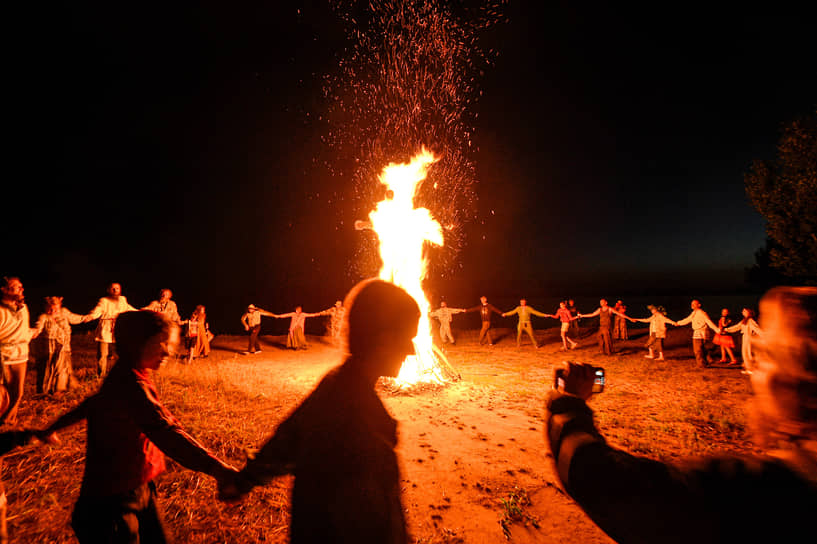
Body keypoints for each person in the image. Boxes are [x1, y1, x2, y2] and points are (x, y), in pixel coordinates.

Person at [543, 286, 817, 544]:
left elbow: (608, 485)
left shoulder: (763, 493)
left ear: (798, 381)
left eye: (767, 355)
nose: (756, 369)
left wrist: (569, 402)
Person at [219, 278, 421, 543]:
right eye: (406, 337)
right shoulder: (358, 418)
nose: (412, 350)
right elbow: (370, 523)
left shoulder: (337, 383)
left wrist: (245, 480)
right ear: (382, 337)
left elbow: (289, 438)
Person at [37, 310, 238, 543]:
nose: (170, 351)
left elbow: (92, 404)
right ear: (136, 343)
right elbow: (166, 433)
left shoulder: (127, 373)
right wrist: (218, 469)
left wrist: (53, 427)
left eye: (171, 344)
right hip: (111, 503)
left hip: (138, 487)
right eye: (162, 343)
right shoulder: (131, 386)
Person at [31, 296, 87, 394]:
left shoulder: (64, 313)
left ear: (60, 306)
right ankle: (44, 391)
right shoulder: (44, 317)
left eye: (56, 308)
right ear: (46, 307)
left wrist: (86, 318)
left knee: (63, 368)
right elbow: (38, 327)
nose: (53, 311)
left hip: (64, 345)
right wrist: (33, 333)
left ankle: (60, 389)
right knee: (47, 369)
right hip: (49, 347)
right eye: (50, 308)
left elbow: (75, 318)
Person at [0, 277, 37, 426]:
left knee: (17, 392)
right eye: (16, 287)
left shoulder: (23, 308)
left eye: (21, 286)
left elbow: (22, 331)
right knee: (2, 393)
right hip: (4, 356)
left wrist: (31, 333)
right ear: (4, 290)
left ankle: (8, 422)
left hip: (21, 355)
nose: (21, 289)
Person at [85, 283, 136, 377]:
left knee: (123, 352)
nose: (115, 290)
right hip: (106, 328)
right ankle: (101, 374)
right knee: (103, 354)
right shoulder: (104, 300)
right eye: (113, 288)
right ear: (108, 290)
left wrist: (140, 312)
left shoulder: (122, 299)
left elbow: (129, 308)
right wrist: (91, 316)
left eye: (117, 288)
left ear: (120, 290)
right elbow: (98, 310)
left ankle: (122, 374)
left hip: (119, 327)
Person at [675, 299, 720, 368]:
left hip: (701, 333)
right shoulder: (694, 313)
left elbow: (709, 322)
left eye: (694, 304)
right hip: (698, 333)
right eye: (692, 304)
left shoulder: (702, 313)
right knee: (702, 349)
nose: (692, 305)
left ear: (699, 305)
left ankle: (702, 364)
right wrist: (678, 323)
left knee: (698, 350)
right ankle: (707, 361)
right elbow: (688, 319)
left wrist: (717, 330)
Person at [724, 308, 763, 374]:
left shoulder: (750, 320)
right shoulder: (744, 320)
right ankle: (748, 368)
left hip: (749, 337)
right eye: (743, 311)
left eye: (744, 311)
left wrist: (764, 335)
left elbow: (757, 329)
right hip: (745, 337)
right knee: (744, 352)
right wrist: (727, 329)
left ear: (749, 312)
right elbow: (737, 327)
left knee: (748, 352)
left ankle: (752, 369)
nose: (742, 312)